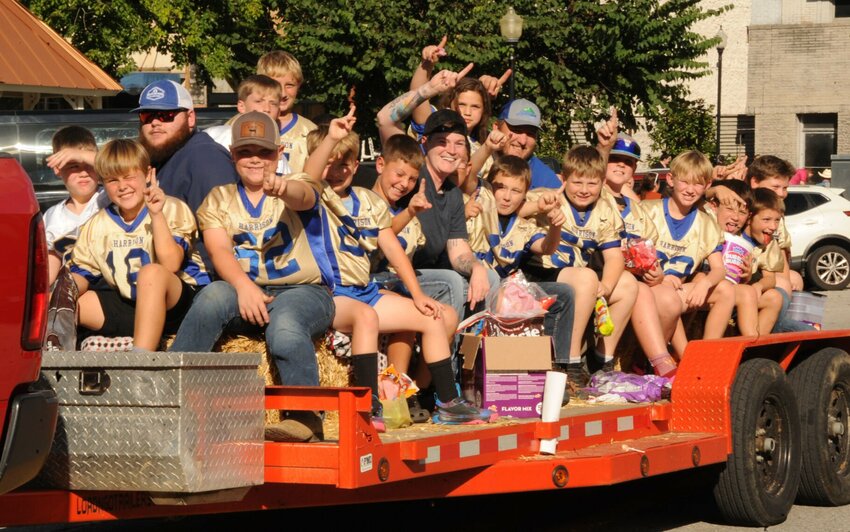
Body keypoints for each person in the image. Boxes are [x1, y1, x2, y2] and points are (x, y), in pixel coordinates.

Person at [304, 114, 492, 426]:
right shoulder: (313, 198)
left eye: (346, 163)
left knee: (432, 315)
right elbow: (309, 177)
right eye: (330, 163)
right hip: (330, 294)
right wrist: (331, 141)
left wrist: (418, 295)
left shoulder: (367, 200)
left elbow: (392, 247)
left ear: (355, 164)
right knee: (366, 317)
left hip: (363, 291)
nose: (338, 171)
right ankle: (368, 406)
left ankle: (447, 403)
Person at [169, 112, 335, 443]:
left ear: (279, 151)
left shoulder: (298, 182)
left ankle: (305, 417)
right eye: (245, 152)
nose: (255, 160)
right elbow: (219, 251)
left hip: (302, 292)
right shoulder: (219, 197)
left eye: (264, 152)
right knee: (213, 295)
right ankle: (170, 396)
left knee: (285, 327)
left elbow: (304, 197)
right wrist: (243, 287)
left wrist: (283, 187)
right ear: (233, 155)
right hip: (247, 294)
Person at [68, 139, 209, 351]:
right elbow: (81, 275)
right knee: (67, 302)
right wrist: (59, 296)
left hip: (179, 306)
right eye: (113, 180)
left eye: (129, 177)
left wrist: (156, 214)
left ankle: (141, 363)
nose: (122, 186)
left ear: (148, 174)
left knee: (151, 273)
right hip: (133, 305)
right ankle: (52, 365)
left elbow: (171, 264)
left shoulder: (171, 207)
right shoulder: (96, 225)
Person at [376, 66, 492, 323]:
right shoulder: (412, 168)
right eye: (442, 141)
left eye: (458, 143)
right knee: (451, 280)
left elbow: (458, 252)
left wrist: (476, 267)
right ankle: (445, 359)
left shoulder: (452, 193)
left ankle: (480, 357)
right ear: (425, 142)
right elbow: (384, 119)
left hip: (426, 273)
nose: (451, 150)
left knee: (489, 276)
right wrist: (427, 90)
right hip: (387, 272)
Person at [522, 146, 638, 387]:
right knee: (586, 277)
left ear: (602, 183)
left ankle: (601, 360)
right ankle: (570, 361)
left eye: (592, 184)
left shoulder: (606, 209)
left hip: (579, 279)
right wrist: (537, 207)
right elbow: (510, 211)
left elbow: (615, 257)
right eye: (577, 183)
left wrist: (606, 286)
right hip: (540, 274)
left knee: (627, 284)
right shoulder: (547, 196)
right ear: (564, 179)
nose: (584, 190)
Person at [47, 80, 239, 212]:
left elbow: (222, 234)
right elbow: (124, 166)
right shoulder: (164, 155)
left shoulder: (204, 158)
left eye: (166, 114)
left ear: (190, 118)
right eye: (147, 115)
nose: (155, 122)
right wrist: (82, 156)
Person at [640, 151, 735, 375]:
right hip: (648, 290)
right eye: (685, 181)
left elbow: (720, 269)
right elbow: (631, 255)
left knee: (725, 290)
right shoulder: (647, 211)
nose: (690, 189)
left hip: (677, 289)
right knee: (668, 298)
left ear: (707, 185)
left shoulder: (706, 223)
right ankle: (656, 360)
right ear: (671, 180)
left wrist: (704, 283)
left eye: (698, 184)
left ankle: (705, 358)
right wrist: (659, 277)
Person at [705, 181, 784, 336]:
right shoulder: (714, 226)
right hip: (712, 287)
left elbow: (770, 279)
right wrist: (716, 189)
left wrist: (754, 282)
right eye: (767, 220)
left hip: (736, 290)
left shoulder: (766, 244)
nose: (773, 226)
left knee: (775, 296)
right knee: (745, 293)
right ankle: (749, 341)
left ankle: (756, 344)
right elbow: (700, 200)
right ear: (751, 219)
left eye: (777, 220)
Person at [43, 126, 109, 286]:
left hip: (109, 286)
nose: (84, 172)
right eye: (74, 166)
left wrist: (81, 155)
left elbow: (122, 167)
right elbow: (52, 259)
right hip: (71, 289)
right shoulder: (52, 216)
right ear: (58, 168)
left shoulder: (108, 197)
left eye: (88, 164)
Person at [205, 74, 293, 175]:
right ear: (241, 106)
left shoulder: (276, 155)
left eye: (273, 104)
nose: (267, 109)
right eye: (259, 101)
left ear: (278, 112)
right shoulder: (213, 137)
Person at [257, 50, 317, 173]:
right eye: (276, 85)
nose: (283, 93)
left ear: (299, 85)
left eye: (289, 85)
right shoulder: (239, 126)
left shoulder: (310, 131)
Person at [482, 98, 563, 190]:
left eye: (530, 133)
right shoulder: (477, 159)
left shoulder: (545, 179)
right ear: (496, 127)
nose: (523, 141)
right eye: (517, 130)